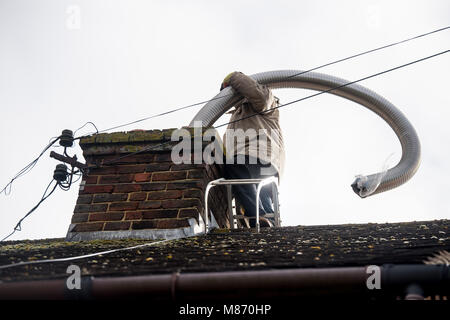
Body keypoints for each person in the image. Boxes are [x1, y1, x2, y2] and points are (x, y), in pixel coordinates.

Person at [221, 71, 285, 227]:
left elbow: (261, 97)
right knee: (261, 191)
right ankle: (269, 222)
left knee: (234, 167)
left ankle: (257, 215)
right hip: (262, 161)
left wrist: (234, 78)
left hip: (258, 155)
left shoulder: (262, 101)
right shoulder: (237, 116)